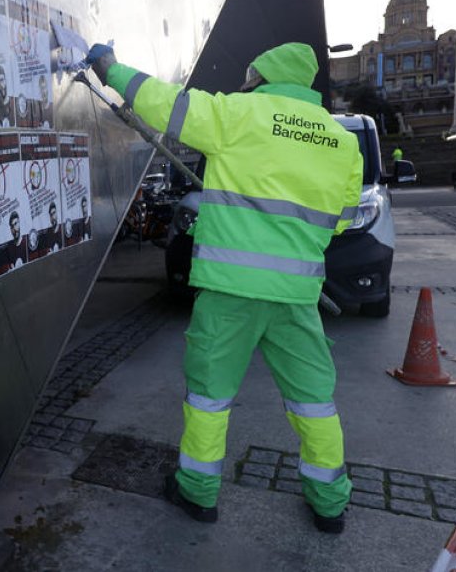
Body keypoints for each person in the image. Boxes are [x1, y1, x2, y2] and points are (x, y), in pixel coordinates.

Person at [87, 41, 362, 533]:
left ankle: (197, 493)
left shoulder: (240, 115)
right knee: (314, 401)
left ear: (260, 75)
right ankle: (329, 503)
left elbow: (164, 103)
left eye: (248, 74)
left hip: (230, 291)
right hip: (297, 298)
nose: (243, 81)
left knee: (211, 396)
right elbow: (339, 220)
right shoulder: (342, 142)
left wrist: (109, 68)